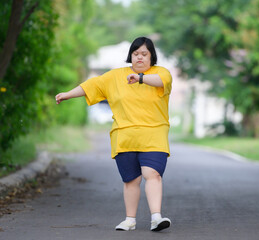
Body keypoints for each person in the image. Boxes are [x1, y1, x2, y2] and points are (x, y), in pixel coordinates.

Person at [55, 37, 172, 232]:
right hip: (124, 136)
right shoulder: (115, 76)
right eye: (136, 54)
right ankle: (130, 220)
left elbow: (161, 81)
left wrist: (141, 78)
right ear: (130, 56)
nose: (140, 58)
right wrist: (67, 94)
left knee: (152, 173)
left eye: (144, 54)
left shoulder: (162, 73)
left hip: (154, 134)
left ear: (152, 57)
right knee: (131, 180)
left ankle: (156, 217)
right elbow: (91, 86)